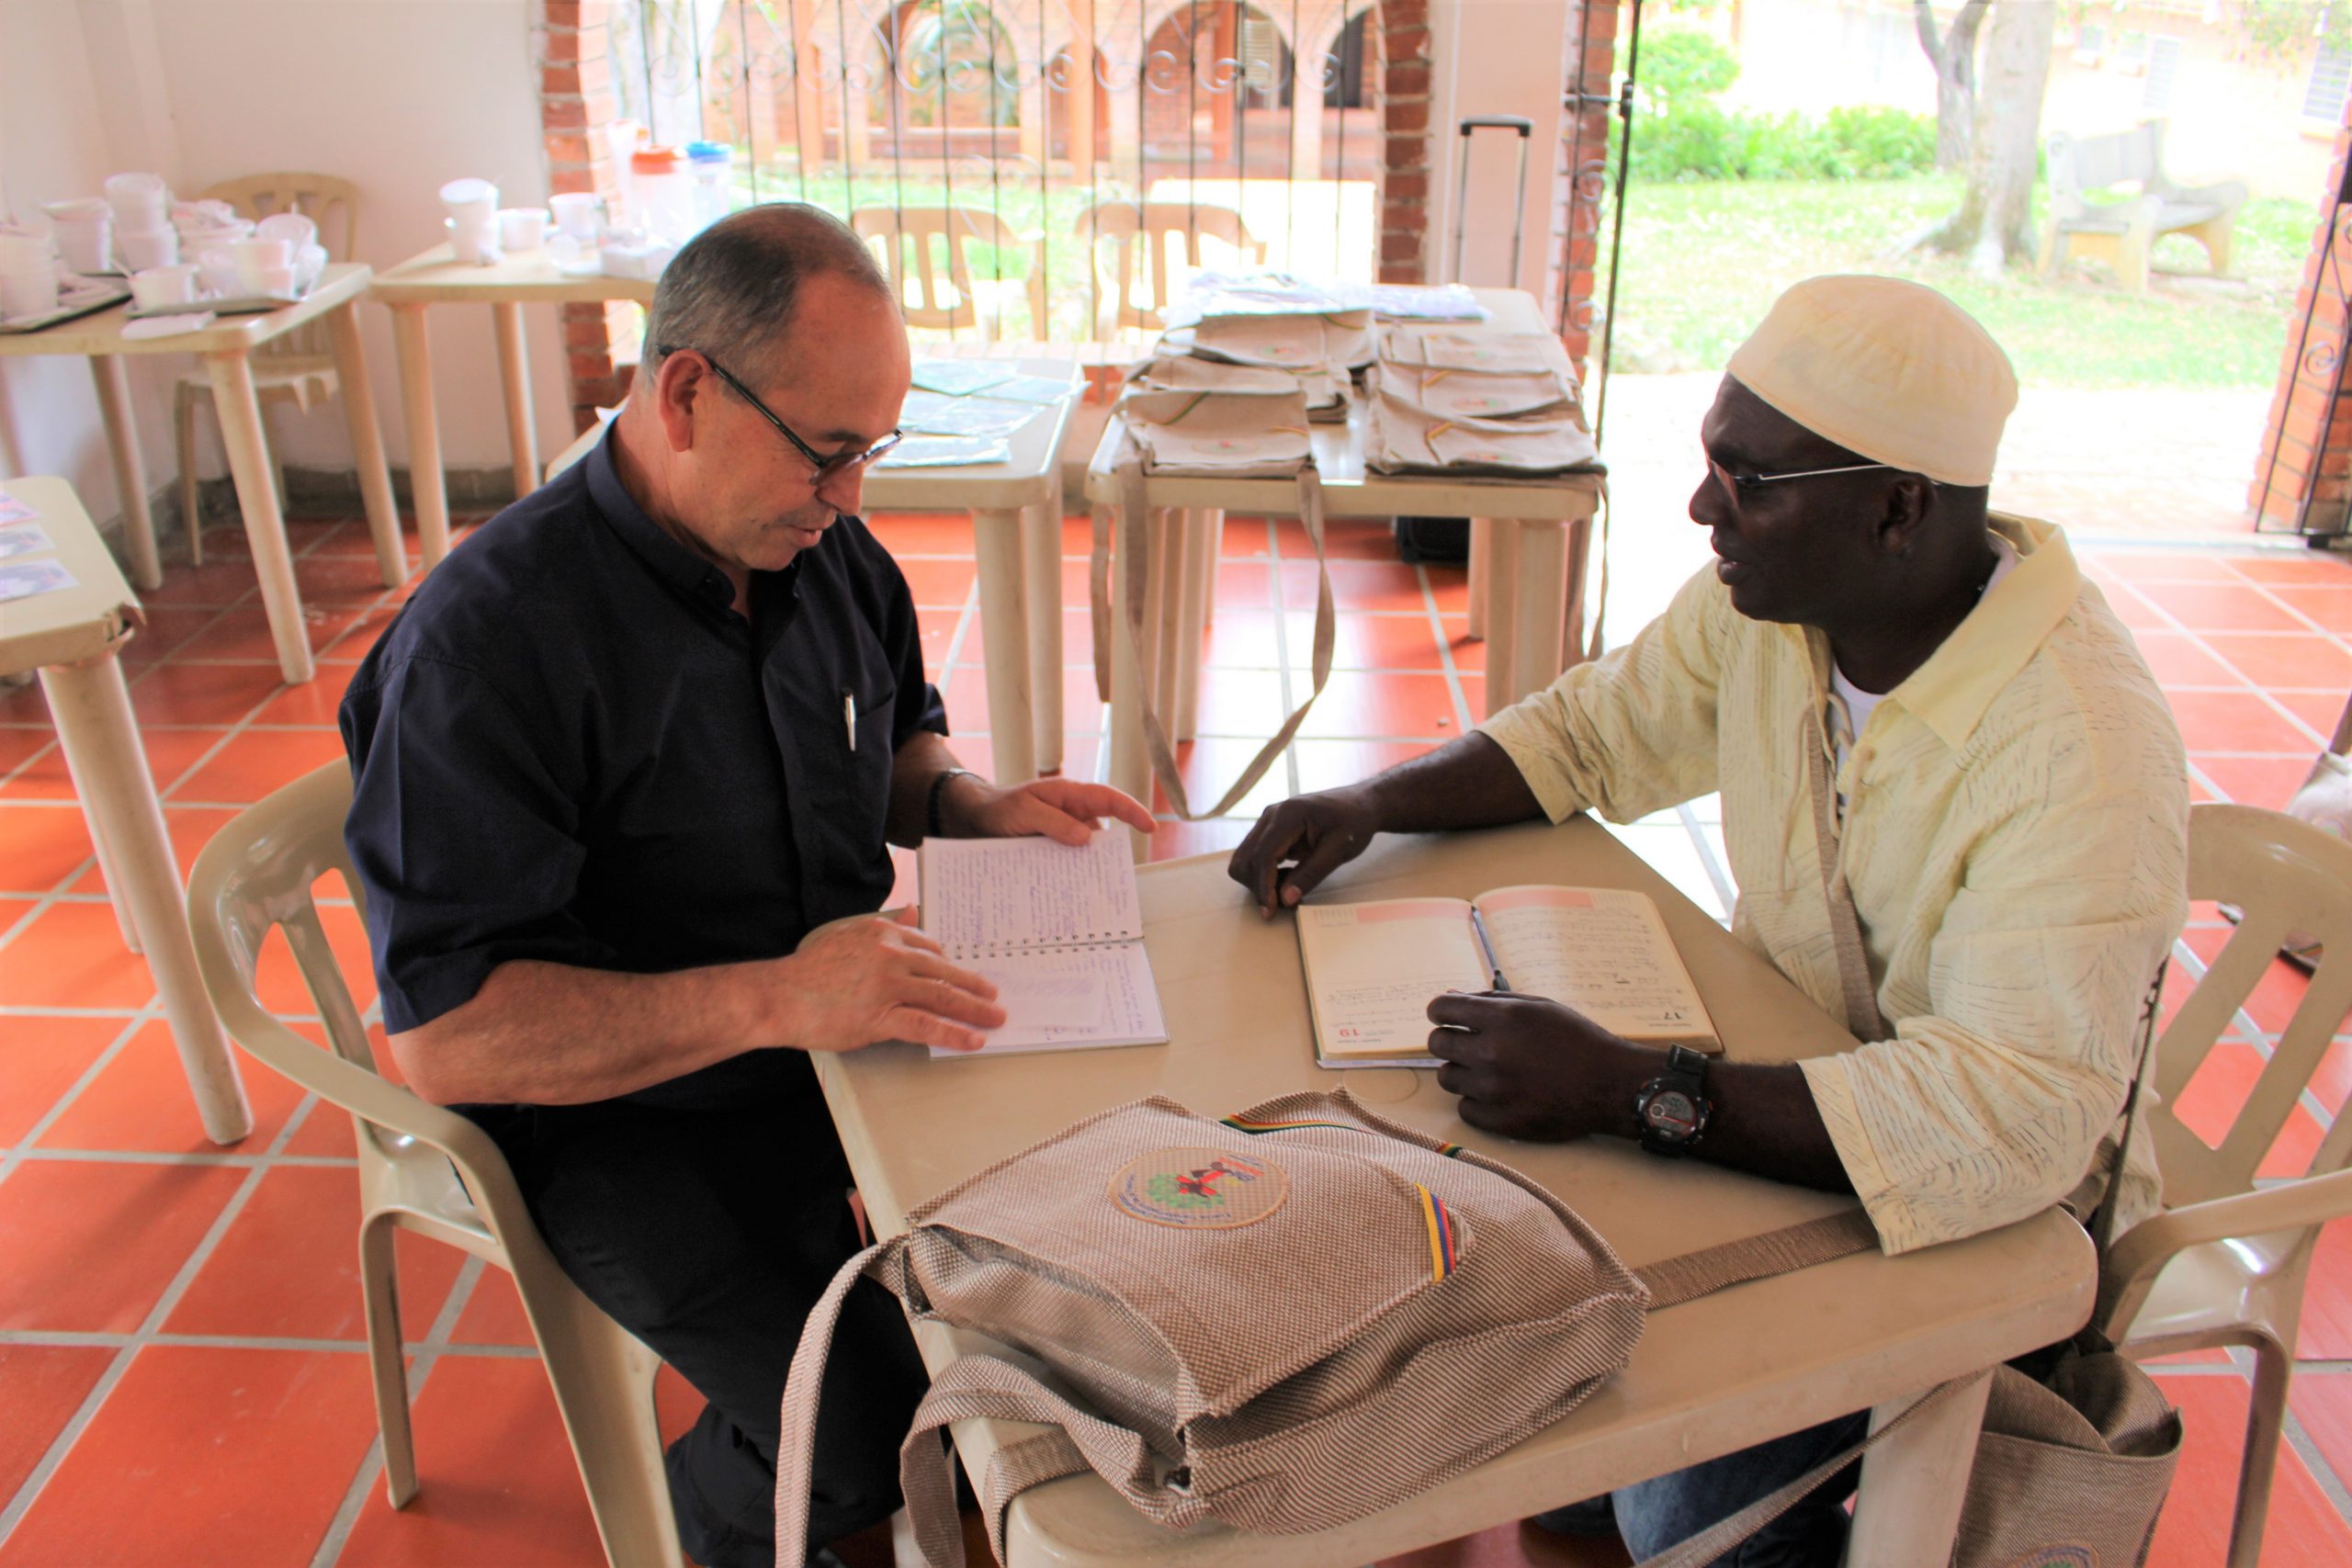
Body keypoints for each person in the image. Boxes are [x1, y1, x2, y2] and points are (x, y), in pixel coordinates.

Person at [1227, 275, 2189, 1565]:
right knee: (1536, 1380)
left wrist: (1635, 1092)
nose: (1702, 510)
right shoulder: (1791, 613)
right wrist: (1366, 798)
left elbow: (2006, 1123)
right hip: (1789, 1101)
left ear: (1896, 506)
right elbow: (1589, 735)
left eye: (1748, 482)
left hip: (1986, 1208)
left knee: (1669, 1494)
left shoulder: (2080, 753)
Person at [340, 204, 1152, 1568]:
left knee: (1104, 1244)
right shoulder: (486, 649)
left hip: (833, 1025)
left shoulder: (818, 552)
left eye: (871, 455)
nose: (850, 501)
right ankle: (696, 1533)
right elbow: (450, 1036)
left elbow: (893, 731)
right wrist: (780, 996)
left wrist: (966, 806)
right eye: (829, 455)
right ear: (686, 390)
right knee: (863, 1427)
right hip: (620, 1110)